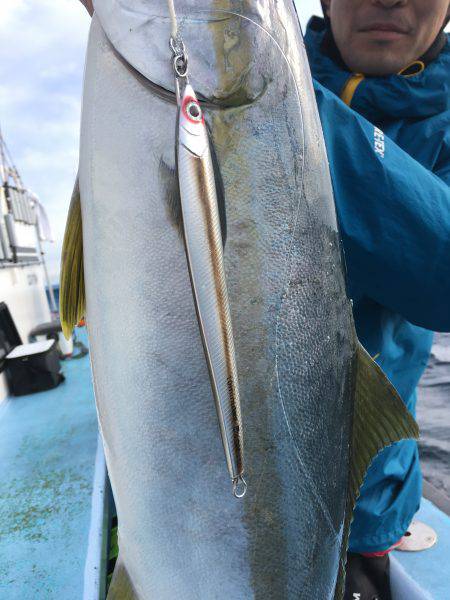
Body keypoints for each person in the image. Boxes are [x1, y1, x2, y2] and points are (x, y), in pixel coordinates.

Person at [304, 0, 450, 598]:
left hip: (373, 509)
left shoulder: (242, 86)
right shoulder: (217, 79)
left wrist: (261, 104)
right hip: (217, 490)